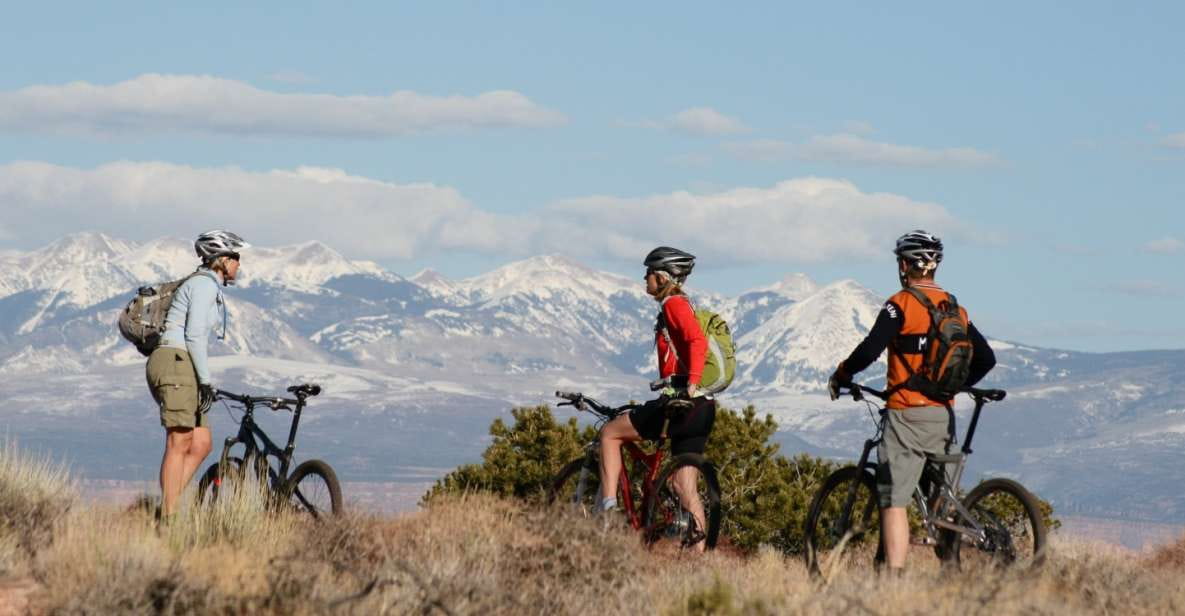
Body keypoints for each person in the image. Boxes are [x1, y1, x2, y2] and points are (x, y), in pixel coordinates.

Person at [828, 230, 996, 572]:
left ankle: (894, 579)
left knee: (894, 500)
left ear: (905, 265)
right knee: (941, 504)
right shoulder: (955, 308)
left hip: (906, 414)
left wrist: (843, 374)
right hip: (943, 415)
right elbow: (986, 359)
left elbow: (869, 350)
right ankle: (952, 570)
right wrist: (951, 388)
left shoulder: (900, 305)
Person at [598, 246, 717, 550]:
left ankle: (607, 510)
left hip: (680, 403)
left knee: (610, 433)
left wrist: (689, 385)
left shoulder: (673, 304)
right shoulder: (684, 304)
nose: (644, 278)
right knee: (683, 485)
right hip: (704, 407)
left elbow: (696, 341)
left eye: (648, 272)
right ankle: (698, 558)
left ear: (662, 276)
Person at [145, 229, 248, 525]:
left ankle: (168, 506)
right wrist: (205, 380)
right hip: (176, 361)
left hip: (183, 364)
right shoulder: (204, 286)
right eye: (236, 257)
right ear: (221, 259)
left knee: (201, 443)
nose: (239, 264)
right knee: (179, 442)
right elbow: (194, 335)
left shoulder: (208, 285)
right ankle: (169, 519)